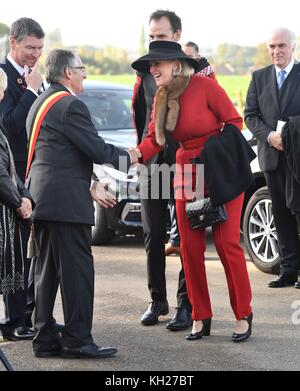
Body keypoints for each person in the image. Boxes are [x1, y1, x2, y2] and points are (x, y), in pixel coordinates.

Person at [131, 40, 253, 342]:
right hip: (186, 168)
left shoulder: (205, 86)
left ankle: (243, 313)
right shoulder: (161, 97)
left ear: (175, 64)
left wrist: (212, 150)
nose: (152, 69)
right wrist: (135, 154)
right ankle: (200, 314)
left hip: (219, 165)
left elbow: (235, 122)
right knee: (189, 247)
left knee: (227, 244)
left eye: (157, 63)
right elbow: (154, 141)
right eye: (150, 65)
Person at [26, 49, 138, 358]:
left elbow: (59, 154)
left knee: (46, 270)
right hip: (65, 203)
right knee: (77, 272)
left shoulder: (41, 102)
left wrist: (88, 183)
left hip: (44, 197)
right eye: (81, 68)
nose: (85, 73)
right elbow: (95, 148)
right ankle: (77, 340)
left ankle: (45, 336)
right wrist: (131, 157)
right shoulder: (69, 105)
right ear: (67, 74)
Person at [132, 10, 192, 331]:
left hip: (188, 166)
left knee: (187, 237)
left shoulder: (199, 69)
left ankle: (186, 304)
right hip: (152, 166)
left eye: (162, 36)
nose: (156, 42)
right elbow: (143, 119)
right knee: (153, 234)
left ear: (178, 35)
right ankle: (158, 300)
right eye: (152, 36)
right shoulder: (144, 72)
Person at [244, 28, 300, 289]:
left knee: (298, 210)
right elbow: (251, 115)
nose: (276, 51)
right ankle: (288, 270)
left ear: (293, 47)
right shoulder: (259, 78)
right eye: (272, 46)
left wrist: (290, 132)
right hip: (271, 156)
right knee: (280, 212)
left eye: (282, 46)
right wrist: (268, 136)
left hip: (297, 156)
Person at [0, 17, 45, 341]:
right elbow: (12, 126)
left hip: (33, 176)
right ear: (13, 43)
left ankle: (29, 314)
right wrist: (30, 91)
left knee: (32, 250)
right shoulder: (3, 78)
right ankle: (16, 319)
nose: (36, 54)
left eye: (40, 48)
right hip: (11, 180)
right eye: (30, 47)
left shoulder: (37, 78)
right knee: (14, 253)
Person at [0, 68, 33, 319]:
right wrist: (18, 200)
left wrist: (25, 195)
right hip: (6, 207)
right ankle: (13, 322)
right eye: (1, 90)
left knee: (16, 266)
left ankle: (16, 320)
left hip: (13, 200)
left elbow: (10, 167)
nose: (2, 95)